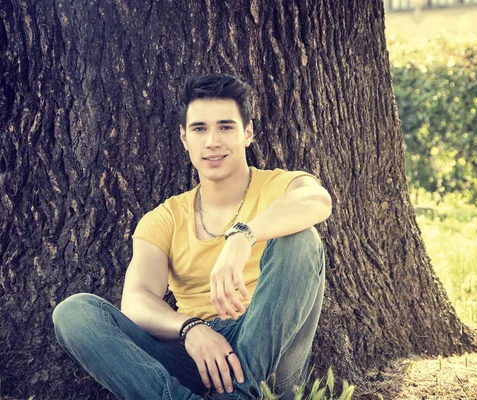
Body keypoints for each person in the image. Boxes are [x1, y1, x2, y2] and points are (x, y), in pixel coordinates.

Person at [52, 73, 332, 400]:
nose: (212, 141)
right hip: (194, 353)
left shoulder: (277, 186)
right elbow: (136, 302)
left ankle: (237, 395)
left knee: (300, 238)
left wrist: (243, 236)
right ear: (184, 138)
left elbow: (318, 200)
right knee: (73, 313)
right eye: (200, 129)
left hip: (268, 349)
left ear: (248, 133)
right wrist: (190, 329)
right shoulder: (165, 218)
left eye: (226, 127)